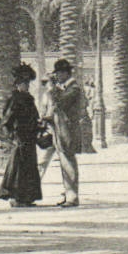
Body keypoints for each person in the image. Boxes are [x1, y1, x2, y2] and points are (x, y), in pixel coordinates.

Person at [39, 58, 87, 207]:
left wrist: (52, 88)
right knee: (46, 162)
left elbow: (60, 103)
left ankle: (72, 197)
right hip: (57, 130)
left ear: (66, 73)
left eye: (59, 73)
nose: (57, 77)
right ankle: (68, 194)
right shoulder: (63, 88)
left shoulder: (74, 89)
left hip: (67, 132)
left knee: (68, 162)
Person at [0, 64, 43, 207]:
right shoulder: (15, 99)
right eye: (24, 83)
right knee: (19, 167)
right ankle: (16, 197)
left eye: (28, 83)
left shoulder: (28, 98)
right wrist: (12, 136)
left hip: (29, 137)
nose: (26, 86)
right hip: (20, 137)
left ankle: (27, 198)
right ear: (17, 84)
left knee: (28, 166)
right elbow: (7, 120)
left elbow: (33, 116)